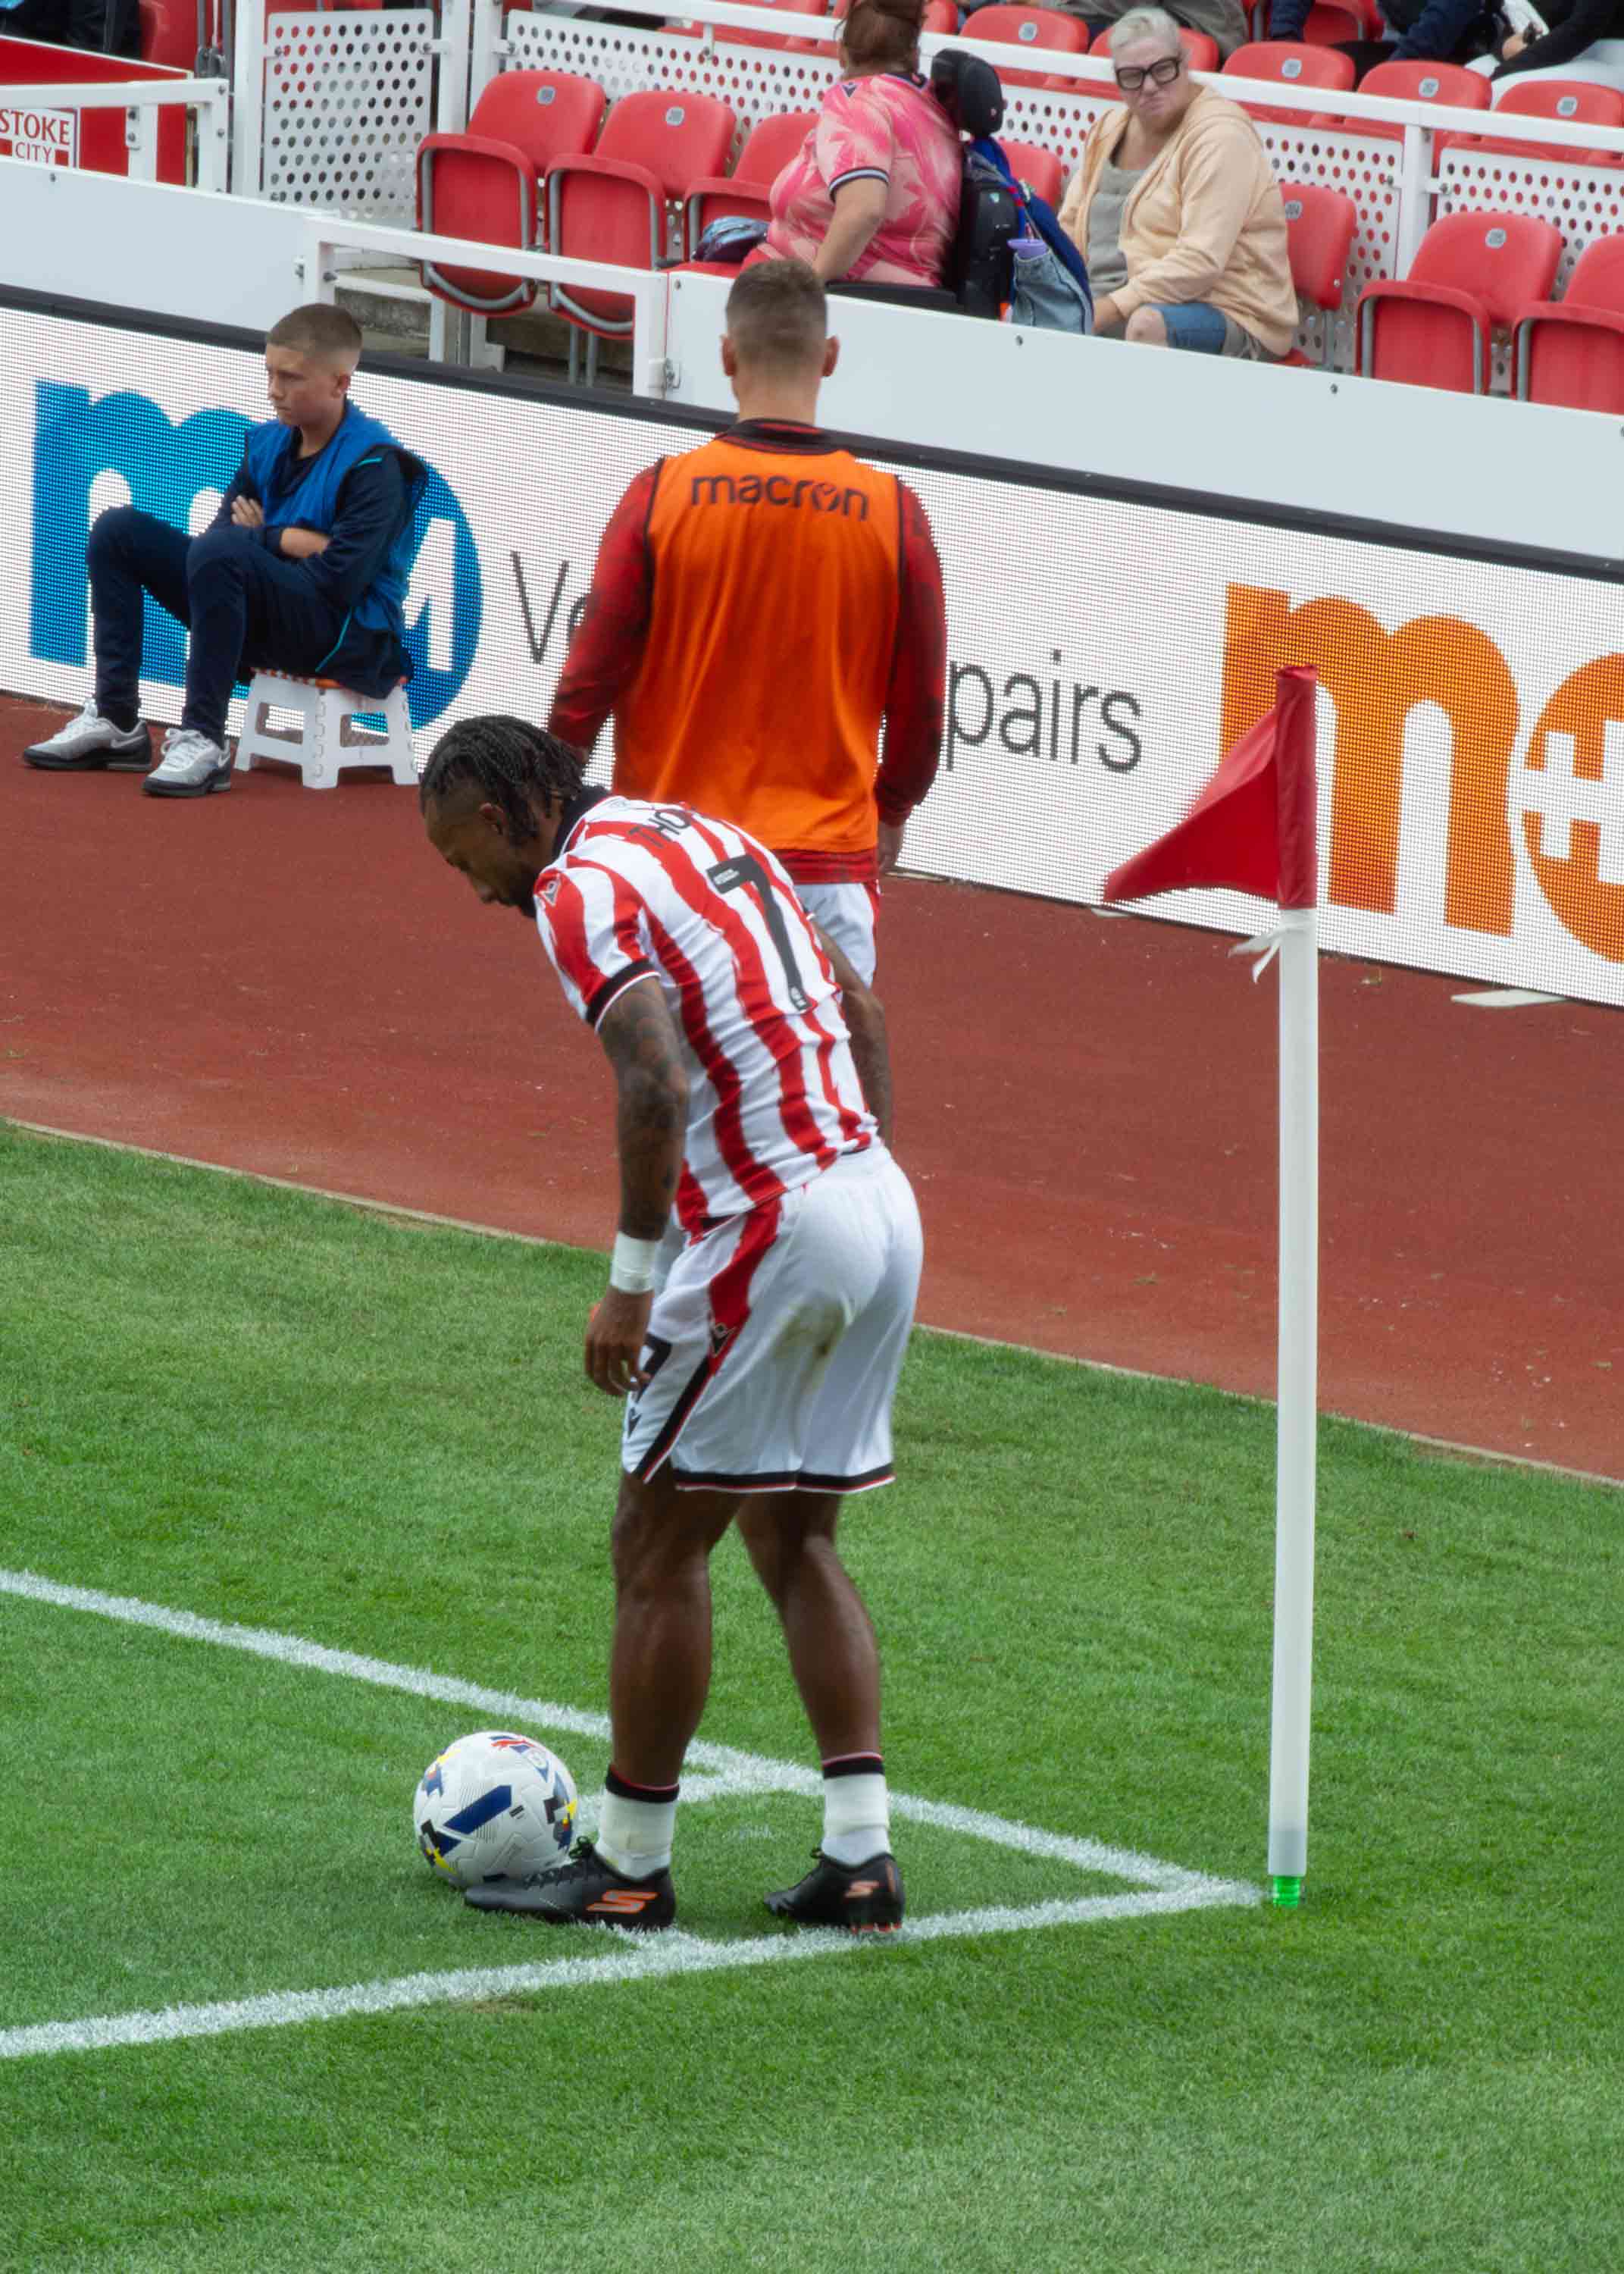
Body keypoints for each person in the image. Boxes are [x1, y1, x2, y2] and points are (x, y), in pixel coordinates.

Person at [420, 718, 924, 1936]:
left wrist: (632, 1283)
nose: (476, 891)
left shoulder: (575, 889)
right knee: (792, 1536)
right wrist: (852, 1166)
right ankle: (858, 1858)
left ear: (496, 818)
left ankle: (630, 1862)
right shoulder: (694, 833)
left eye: (462, 861)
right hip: (878, 1202)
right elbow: (858, 1010)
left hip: (773, 1222)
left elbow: (655, 1078)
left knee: (654, 1540)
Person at [547, 258, 947, 990]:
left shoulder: (660, 494)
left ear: (726, 356)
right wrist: (891, 808)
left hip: (671, 855)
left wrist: (555, 782)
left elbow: (589, 674)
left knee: (672, 1058)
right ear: (829, 357)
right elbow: (920, 703)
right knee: (831, 1061)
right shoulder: (893, 512)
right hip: (824, 861)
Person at [22, 303, 427, 799]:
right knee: (117, 531)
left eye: (291, 377)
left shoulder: (376, 467)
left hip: (342, 636)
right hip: (268, 607)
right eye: (270, 373)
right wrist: (288, 541)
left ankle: (205, 738)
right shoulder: (267, 446)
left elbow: (338, 581)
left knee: (224, 553)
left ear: (340, 383)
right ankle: (116, 719)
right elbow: (222, 536)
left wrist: (263, 539)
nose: (274, 390)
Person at [1057, 7, 1299, 360]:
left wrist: (1109, 308)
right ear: (1118, 81)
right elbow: (1069, 225)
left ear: (1184, 64)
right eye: (1133, 76)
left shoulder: (1221, 136)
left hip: (1227, 309)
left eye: (1162, 69)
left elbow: (1200, 262)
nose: (1149, 86)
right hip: (1113, 299)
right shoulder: (1107, 128)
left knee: (1145, 325)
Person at [753, 0, 963, 290]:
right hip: (908, 290)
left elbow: (863, 211)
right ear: (914, 55)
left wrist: (808, 289)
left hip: (831, 294)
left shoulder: (858, 102)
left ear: (842, 52)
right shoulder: (933, 108)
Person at [1267, 0, 1500, 77]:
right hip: (1399, 38)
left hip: (1469, 49)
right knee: (1319, 74)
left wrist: (1389, 74)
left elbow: (1448, 14)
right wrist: (1285, 38)